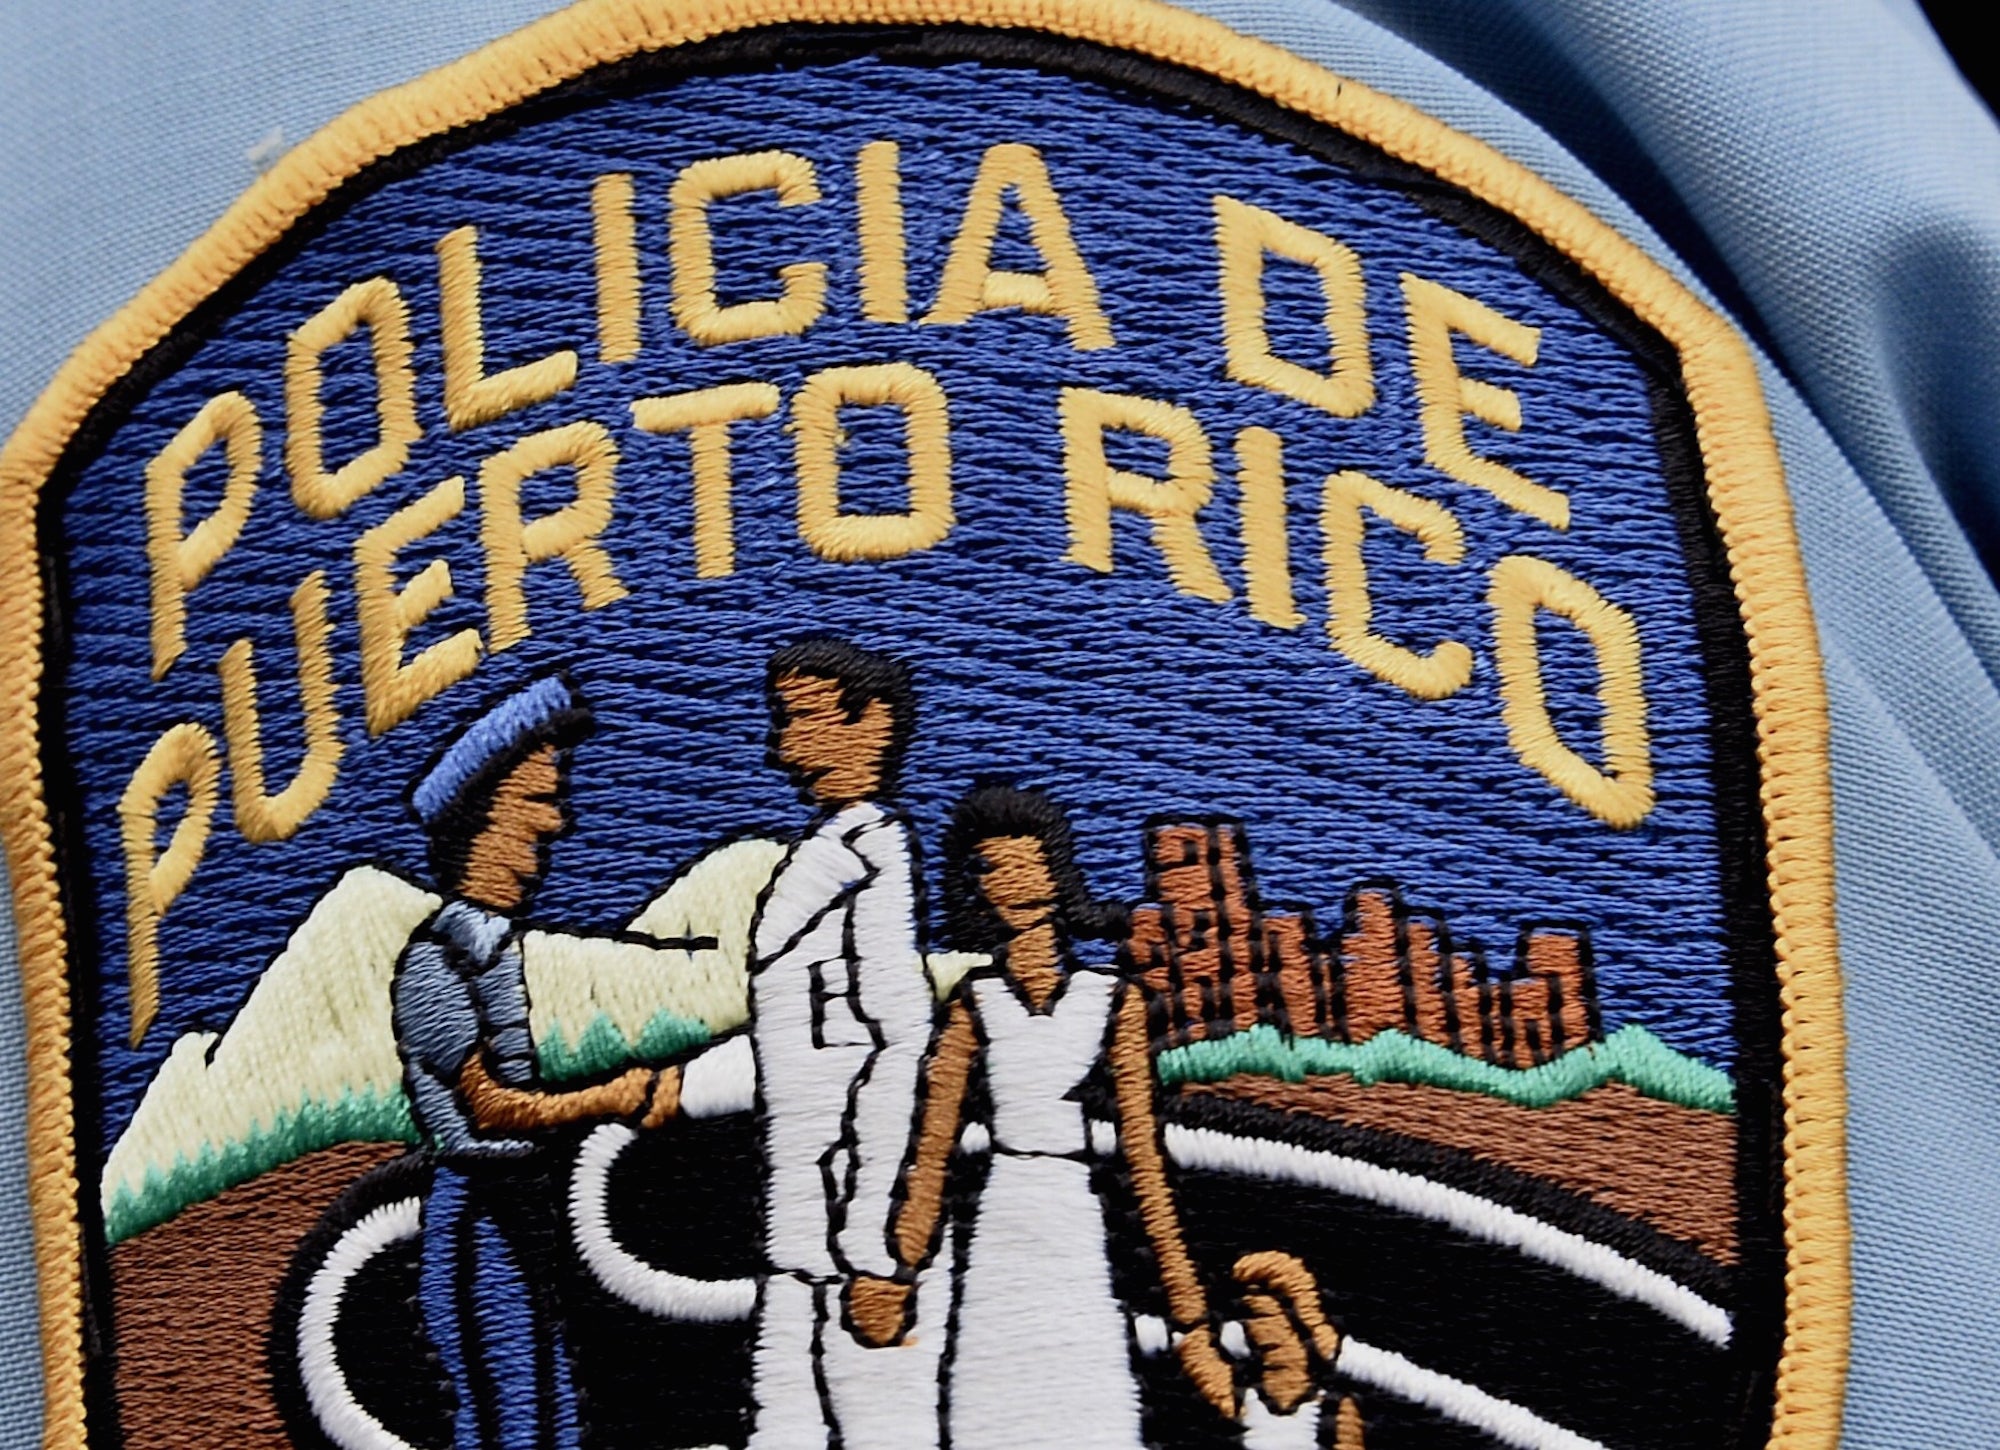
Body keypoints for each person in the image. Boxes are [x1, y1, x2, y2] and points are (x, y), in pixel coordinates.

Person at [852, 784, 1253, 1448]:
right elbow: (931, 1156)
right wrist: (901, 1269)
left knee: (1089, 1385)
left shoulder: (1113, 1002)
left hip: (1077, 1221)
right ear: (975, 889)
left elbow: (1147, 1169)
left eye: (1025, 862)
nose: (1010, 881)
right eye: (991, 868)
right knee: (989, 1387)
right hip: (1001, 1223)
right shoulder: (974, 1006)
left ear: (1056, 872)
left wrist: (1190, 1318)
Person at [390, 675, 680, 1450]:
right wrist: (610, 1098)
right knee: (508, 1414)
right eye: (537, 802)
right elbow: (489, 1107)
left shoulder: (493, 954)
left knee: (552, 1408)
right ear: (482, 819)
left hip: (522, 1206)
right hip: (480, 1210)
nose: (556, 824)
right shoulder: (437, 963)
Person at [712, 638, 943, 1450]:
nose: (783, 747)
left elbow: (898, 1040)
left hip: (847, 1239)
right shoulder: (829, 855)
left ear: (872, 722)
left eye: (803, 719)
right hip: (799, 1229)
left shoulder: (872, 858)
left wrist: (879, 1247)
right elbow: (790, 1039)